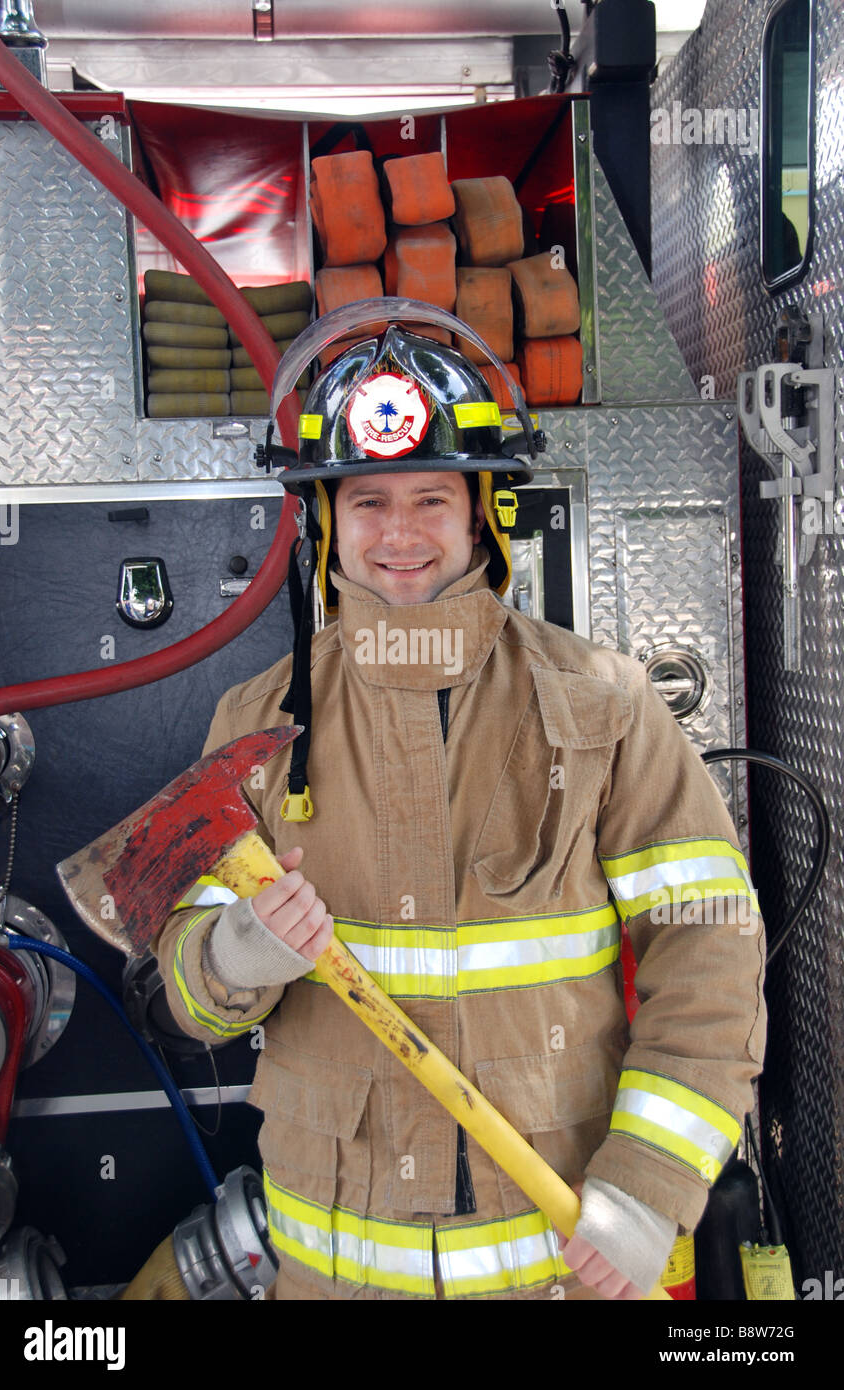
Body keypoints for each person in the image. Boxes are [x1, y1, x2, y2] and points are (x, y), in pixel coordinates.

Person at [154, 308, 766, 1301]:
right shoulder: (255, 724)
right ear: (326, 520)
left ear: (484, 510)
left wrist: (649, 1188)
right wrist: (224, 959)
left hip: (561, 1270)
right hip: (334, 1279)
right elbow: (175, 986)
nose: (399, 534)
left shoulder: (604, 707)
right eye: (367, 501)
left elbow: (710, 948)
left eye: (432, 498)